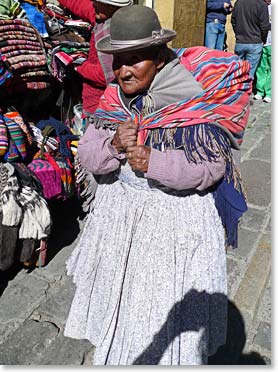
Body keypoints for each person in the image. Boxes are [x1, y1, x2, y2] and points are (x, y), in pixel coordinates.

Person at [64, 5, 251, 365]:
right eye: (117, 61)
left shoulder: (193, 96)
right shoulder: (114, 97)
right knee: (119, 305)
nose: (123, 71)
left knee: (159, 313)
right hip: (120, 222)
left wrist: (154, 161)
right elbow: (88, 154)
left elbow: (209, 168)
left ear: (159, 57)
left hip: (173, 228)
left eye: (135, 60)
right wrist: (113, 146)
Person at [58, 0, 133, 120]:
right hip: (93, 102)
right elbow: (79, 5)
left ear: (112, 7)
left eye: (98, 3)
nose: (93, 5)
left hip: (103, 106)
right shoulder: (103, 17)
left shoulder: (113, 33)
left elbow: (105, 75)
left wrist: (79, 65)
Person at [231, 0, 270, 80]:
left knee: (238, 71)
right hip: (255, 42)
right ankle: (246, 91)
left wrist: (238, 34)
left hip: (240, 42)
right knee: (249, 73)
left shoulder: (239, 2)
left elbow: (233, 21)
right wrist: (263, 39)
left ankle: (237, 89)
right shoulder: (261, 4)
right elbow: (264, 26)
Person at [254, 0, 271, 103]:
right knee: (261, 67)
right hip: (262, 42)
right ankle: (260, 91)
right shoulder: (261, 6)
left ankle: (269, 92)